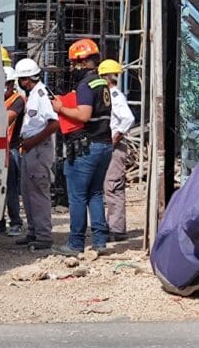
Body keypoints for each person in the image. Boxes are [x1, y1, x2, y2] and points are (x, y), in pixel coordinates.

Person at [50, 38, 113, 256]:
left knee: (77, 196)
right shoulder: (102, 83)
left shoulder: (86, 85)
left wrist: (60, 107)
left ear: (81, 62)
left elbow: (84, 115)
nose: (72, 68)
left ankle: (75, 244)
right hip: (104, 145)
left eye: (74, 64)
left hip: (87, 147)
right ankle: (99, 241)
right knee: (95, 193)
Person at [13, 58, 59, 250]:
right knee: (27, 191)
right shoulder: (32, 94)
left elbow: (54, 123)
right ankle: (33, 231)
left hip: (38, 149)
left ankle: (43, 235)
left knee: (39, 192)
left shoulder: (41, 94)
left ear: (26, 79)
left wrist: (33, 141)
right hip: (30, 148)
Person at [97, 59, 135, 242]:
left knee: (113, 186)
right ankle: (111, 225)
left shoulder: (114, 96)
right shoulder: (109, 95)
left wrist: (115, 137)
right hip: (110, 145)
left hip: (115, 146)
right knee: (108, 186)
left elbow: (128, 119)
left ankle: (117, 229)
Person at [0, 66, 25, 237]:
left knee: (10, 187)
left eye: (7, 84)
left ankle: (16, 222)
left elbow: (5, 119)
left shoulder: (17, 100)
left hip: (11, 150)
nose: (5, 88)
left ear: (12, 84)